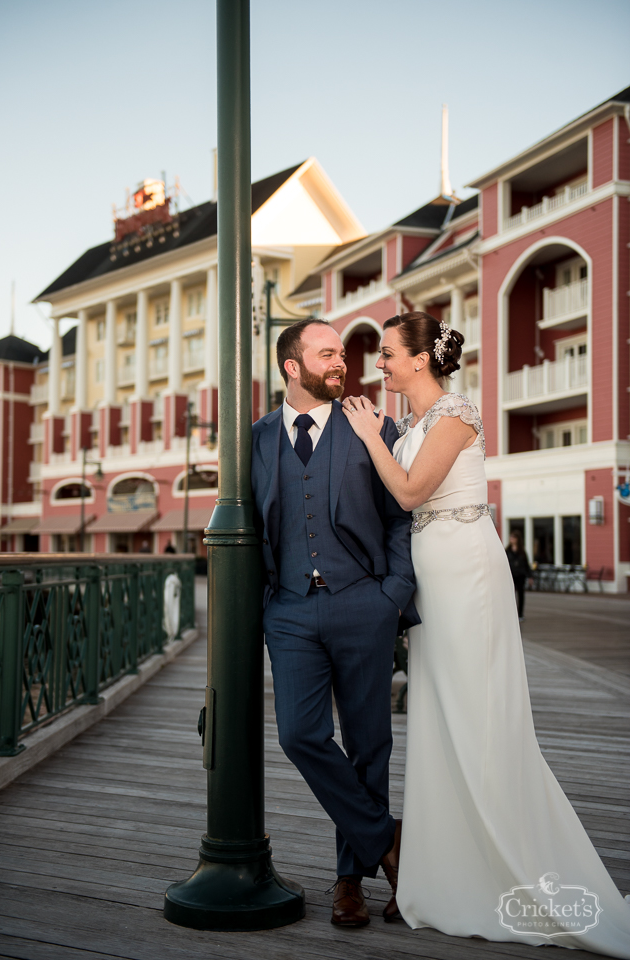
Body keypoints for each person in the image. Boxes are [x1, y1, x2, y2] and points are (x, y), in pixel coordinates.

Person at [342, 311, 630, 955]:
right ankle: (444, 872)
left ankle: (503, 863)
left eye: (388, 353)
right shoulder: (411, 423)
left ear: (420, 360)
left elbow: (413, 491)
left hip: (467, 575)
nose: (380, 364)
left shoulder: (454, 414)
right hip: (430, 582)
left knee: (478, 716)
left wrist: (368, 438)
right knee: (440, 718)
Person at [251, 318, 418, 927]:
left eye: (342, 352)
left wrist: (392, 594)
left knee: (370, 743)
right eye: (327, 354)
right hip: (290, 610)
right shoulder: (257, 438)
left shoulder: (372, 425)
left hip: (363, 603)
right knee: (300, 735)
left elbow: (401, 515)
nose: (341, 362)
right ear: (292, 367)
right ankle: (389, 842)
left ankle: (351, 880)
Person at [506, 529, 532, 619]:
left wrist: (530, 576)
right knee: (511, 595)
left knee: (521, 595)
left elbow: (526, 564)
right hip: (511, 575)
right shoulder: (507, 550)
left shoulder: (522, 551)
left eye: (513, 537)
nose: (511, 539)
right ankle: (511, 614)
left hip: (520, 575)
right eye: (511, 537)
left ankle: (520, 614)